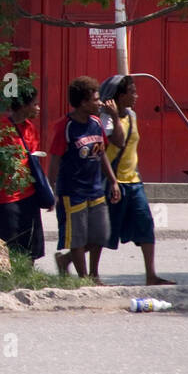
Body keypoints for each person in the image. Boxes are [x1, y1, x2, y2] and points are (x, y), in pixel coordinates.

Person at [99, 74, 174, 285]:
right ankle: (80, 265)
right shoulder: (106, 119)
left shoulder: (132, 115)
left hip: (134, 181)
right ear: (120, 96)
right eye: (132, 92)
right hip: (114, 182)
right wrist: (114, 116)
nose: (136, 96)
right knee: (105, 231)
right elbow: (111, 146)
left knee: (146, 225)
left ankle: (151, 275)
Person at [47, 75, 121, 281]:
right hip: (72, 192)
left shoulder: (96, 123)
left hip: (95, 189)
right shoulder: (65, 126)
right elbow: (54, 160)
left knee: (100, 234)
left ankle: (93, 273)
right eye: (95, 99)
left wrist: (113, 181)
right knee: (77, 238)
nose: (99, 103)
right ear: (83, 102)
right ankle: (84, 278)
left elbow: (102, 152)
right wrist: (51, 190)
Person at [0, 83, 45, 260]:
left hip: (29, 197)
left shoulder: (31, 130)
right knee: (10, 248)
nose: (38, 108)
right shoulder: (1, 129)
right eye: (35, 104)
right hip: (6, 199)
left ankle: (28, 281)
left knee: (31, 248)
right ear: (23, 105)